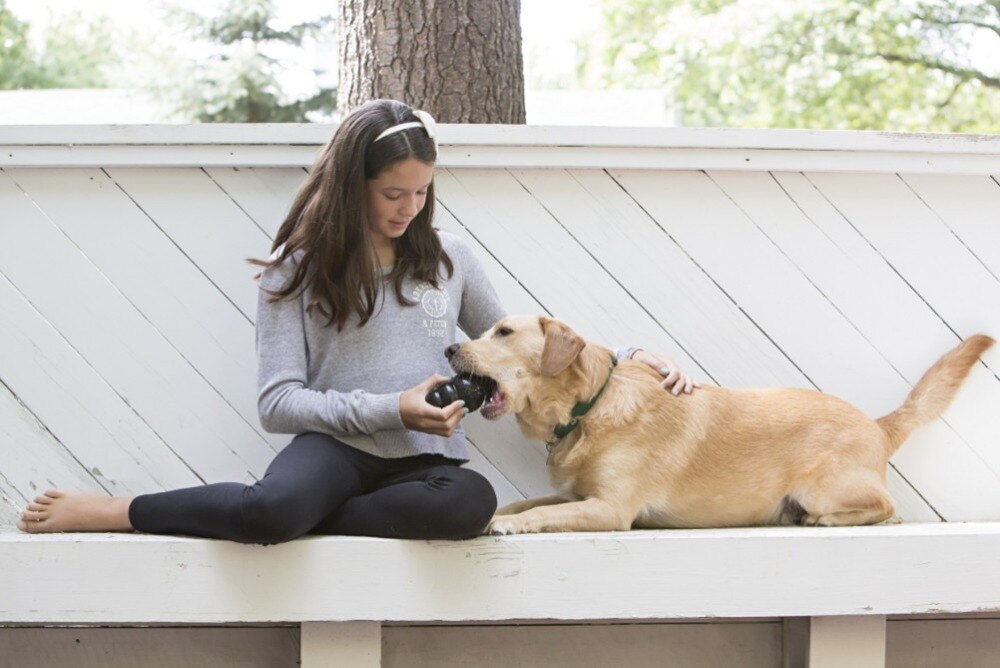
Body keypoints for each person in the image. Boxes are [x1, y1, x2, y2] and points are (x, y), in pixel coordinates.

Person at [15, 99, 698, 545]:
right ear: (352, 185)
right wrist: (390, 408)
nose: (409, 207)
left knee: (468, 506)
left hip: (427, 464)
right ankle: (116, 510)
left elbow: (517, 341)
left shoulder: (450, 258)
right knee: (271, 511)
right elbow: (278, 403)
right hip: (336, 450)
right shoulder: (297, 270)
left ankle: (308, 522)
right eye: (391, 192)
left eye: (421, 192)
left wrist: (634, 359)